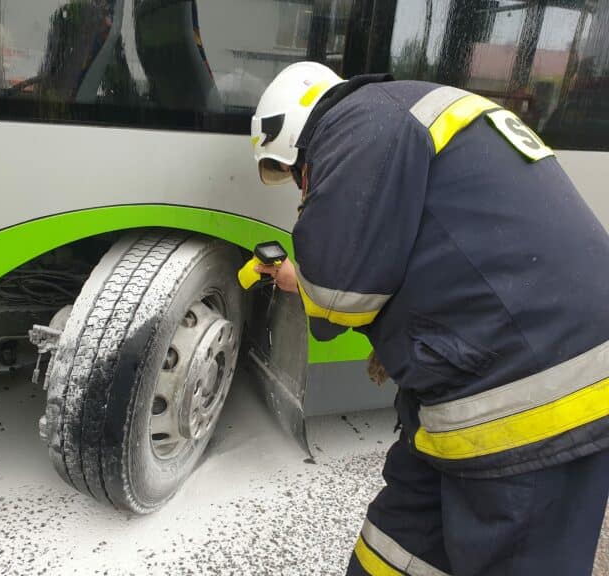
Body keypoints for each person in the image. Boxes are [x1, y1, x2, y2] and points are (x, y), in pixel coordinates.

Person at [250, 61, 609, 576]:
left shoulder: (356, 124)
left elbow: (334, 300)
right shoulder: (401, 111)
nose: (303, 190)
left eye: (296, 177)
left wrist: (296, 275)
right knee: (399, 544)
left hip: (532, 397)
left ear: (294, 139)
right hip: (486, 372)